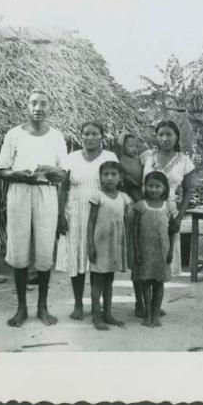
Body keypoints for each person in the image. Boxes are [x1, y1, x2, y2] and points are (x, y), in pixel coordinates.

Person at [0, 89, 67, 327]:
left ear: (50, 108)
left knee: (45, 248)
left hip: (46, 192)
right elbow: (0, 169)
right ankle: (21, 308)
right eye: (34, 103)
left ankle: (43, 307)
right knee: (19, 248)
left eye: (43, 104)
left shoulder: (56, 137)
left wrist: (53, 172)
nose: (38, 108)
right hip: (19, 191)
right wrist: (16, 173)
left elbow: (62, 172)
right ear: (27, 107)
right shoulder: (14, 135)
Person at [56, 121, 118, 320]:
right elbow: (62, 187)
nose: (90, 137)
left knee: (100, 261)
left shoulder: (110, 157)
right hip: (75, 213)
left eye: (94, 134)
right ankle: (78, 304)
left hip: (102, 215)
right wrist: (60, 216)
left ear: (102, 136)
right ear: (81, 136)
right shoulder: (71, 158)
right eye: (86, 134)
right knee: (77, 260)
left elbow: (116, 184)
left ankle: (99, 307)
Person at [141, 120, 195, 277]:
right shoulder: (147, 156)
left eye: (169, 134)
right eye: (161, 134)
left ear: (177, 137)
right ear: (156, 137)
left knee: (165, 258)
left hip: (169, 210)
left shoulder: (184, 161)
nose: (165, 138)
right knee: (145, 256)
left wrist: (179, 217)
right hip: (147, 208)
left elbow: (188, 191)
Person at [87, 161, 132, 330]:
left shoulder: (123, 197)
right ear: (100, 177)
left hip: (115, 245)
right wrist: (90, 244)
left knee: (109, 281)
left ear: (120, 178)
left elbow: (127, 221)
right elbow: (90, 223)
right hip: (100, 244)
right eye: (105, 174)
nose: (109, 178)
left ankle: (108, 314)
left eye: (113, 174)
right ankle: (96, 317)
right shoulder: (97, 196)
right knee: (97, 281)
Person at [133, 171, 176, 328]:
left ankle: (156, 314)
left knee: (159, 283)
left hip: (162, 251)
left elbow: (173, 231)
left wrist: (171, 251)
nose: (154, 189)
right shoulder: (140, 206)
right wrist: (137, 250)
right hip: (145, 250)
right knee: (145, 282)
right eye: (150, 186)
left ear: (164, 188)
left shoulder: (169, 207)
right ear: (145, 187)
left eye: (158, 186)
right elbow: (135, 230)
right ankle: (147, 313)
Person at [117, 132, 145, 316]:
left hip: (142, 204)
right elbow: (122, 183)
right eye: (130, 146)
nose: (134, 149)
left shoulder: (141, 161)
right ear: (123, 146)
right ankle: (138, 301)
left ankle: (147, 300)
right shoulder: (119, 161)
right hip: (128, 204)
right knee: (135, 254)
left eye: (136, 146)